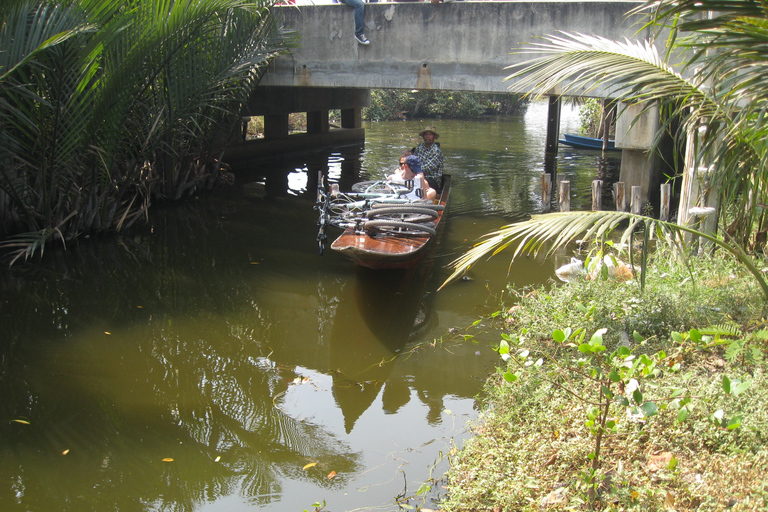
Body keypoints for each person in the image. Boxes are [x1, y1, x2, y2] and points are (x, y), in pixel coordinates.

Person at [411, 126, 443, 191]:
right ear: (423, 136)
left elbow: (427, 168)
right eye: (426, 134)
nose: (428, 136)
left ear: (434, 137)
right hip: (418, 176)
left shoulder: (436, 151)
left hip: (431, 180)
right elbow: (413, 161)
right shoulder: (419, 148)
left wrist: (413, 169)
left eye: (430, 134)